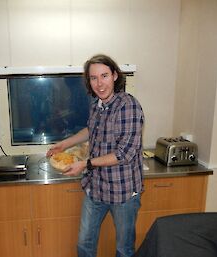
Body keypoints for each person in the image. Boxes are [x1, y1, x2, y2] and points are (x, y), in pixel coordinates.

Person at [46, 54, 144, 257]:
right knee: (84, 245)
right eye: (93, 78)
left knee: (124, 250)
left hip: (123, 191)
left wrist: (85, 164)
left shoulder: (128, 106)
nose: (99, 84)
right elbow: (90, 130)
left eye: (104, 76)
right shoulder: (96, 105)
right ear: (89, 81)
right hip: (96, 187)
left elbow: (123, 154)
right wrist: (64, 144)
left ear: (115, 76)